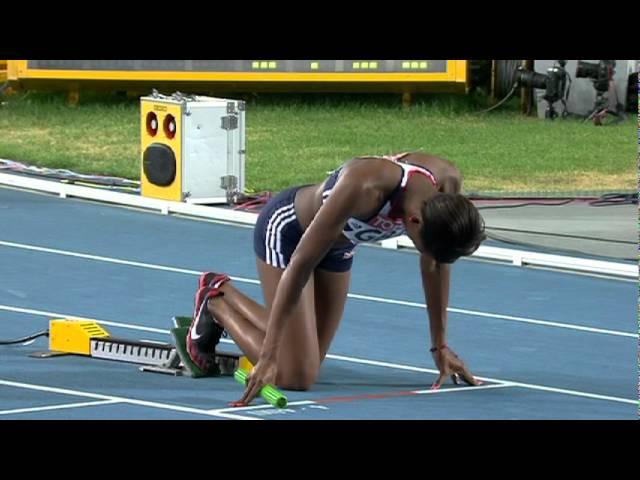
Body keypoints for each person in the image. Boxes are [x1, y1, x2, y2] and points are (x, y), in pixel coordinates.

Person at [186, 152, 486, 406]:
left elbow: (434, 267)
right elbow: (300, 265)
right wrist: (267, 357)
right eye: (427, 251)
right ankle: (218, 298)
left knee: (307, 356)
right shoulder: (365, 185)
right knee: (295, 376)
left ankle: (233, 309)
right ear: (415, 221)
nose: (430, 259)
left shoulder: (447, 183)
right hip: (290, 234)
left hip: (338, 251)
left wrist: (440, 346)